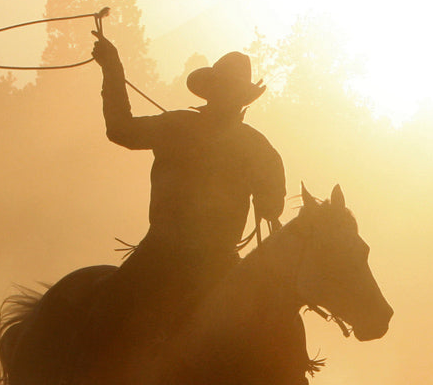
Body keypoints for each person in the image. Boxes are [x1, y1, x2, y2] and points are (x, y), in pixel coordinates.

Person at [78, 31, 286, 384]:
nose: (229, 100)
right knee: (106, 310)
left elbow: (271, 206)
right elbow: (272, 207)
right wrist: (112, 69)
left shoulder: (195, 131)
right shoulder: (251, 145)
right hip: (188, 258)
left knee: (105, 313)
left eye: (232, 93)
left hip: (182, 256)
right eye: (226, 92)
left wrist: (112, 69)